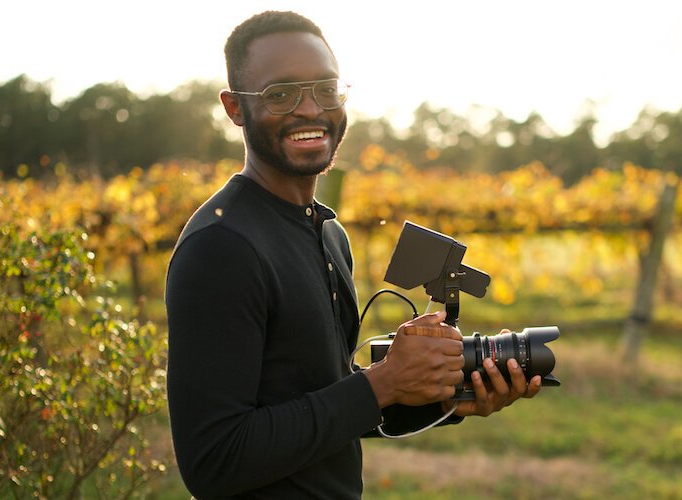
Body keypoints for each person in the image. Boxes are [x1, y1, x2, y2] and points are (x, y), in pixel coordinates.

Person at [165, 10, 541, 499]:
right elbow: (215, 462)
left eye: (326, 88)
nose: (310, 110)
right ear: (236, 108)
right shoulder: (222, 247)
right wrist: (384, 382)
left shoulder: (327, 233)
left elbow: (322, 406)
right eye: (280, 95)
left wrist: (447, 396)